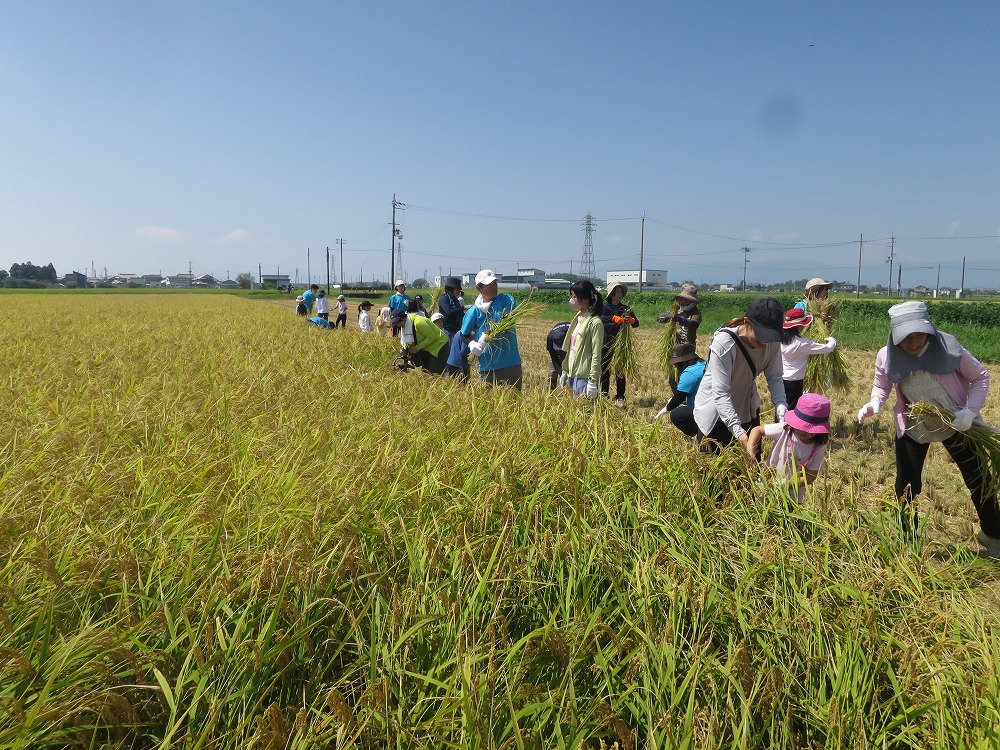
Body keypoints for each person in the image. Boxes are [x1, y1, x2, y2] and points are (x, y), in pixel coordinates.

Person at [857, 300, 1000, 552]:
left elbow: (980, 377)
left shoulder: (949, 349)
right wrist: (874, 404)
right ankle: (907, 541)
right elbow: (882, 385)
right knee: (907, 484)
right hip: (915, 422)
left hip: (956, 421)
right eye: (906, 338)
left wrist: (969, 412)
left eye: (919, 336)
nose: (913, 343)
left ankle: (993, 535)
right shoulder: (886, 355)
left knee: (979, 478)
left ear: (929, 331)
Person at [693, 297, 788, 452]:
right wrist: (738, 432)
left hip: (747, 407)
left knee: (751, 470)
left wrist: (781, 404)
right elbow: (721, 392)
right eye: (762, 334)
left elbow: (775, 376)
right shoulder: (724, 343)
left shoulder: (772, 341)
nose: (765, 342)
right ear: (747, 322)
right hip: (717, 414)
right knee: (715, 472)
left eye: (770, 336)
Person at [748, 393, 831, 503]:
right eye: (801, 426)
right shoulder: (784, 430)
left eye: (810, 429)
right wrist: (751, 454)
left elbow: (810, 477)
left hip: (792, 498)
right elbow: (757, 430)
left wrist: (786, 484)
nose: (804, 431)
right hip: (767, 488)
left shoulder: (817, 448)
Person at [461, 269, 522, 389]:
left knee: (514, 404)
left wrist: (488, 334)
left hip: (511, 363)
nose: (494, 287)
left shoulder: (506, 300)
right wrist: (472, 344)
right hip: (487, 366)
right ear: (479, 288)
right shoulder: (474, 311)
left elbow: (508, 319)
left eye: (495, 283)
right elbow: (463, 334)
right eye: (489, 284)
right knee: (489, 404)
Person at [780, 307, 837, 409]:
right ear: (799, 325)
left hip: (781, 378)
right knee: (792, 407)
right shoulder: (802, 343)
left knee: (782, 404)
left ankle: (779, 422)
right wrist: (832, 340)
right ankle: (787, 424)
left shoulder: (780, 339)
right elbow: (828, 348)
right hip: (795, 381)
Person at [561, 280, 605, 398]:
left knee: (584, 413)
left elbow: (596, 353)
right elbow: (571, 347)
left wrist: (592, 380)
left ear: (585, 299)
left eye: (575, 296)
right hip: (572, 373)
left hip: (584, 376)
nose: (572, 300)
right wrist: (565, 369)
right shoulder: (578, 318)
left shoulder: (595, 323)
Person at [601, 282, 639, 407]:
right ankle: (604, 394)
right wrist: (613, 318)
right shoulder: (605, 307)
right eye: (617, 292)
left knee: (620, 371)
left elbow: (636, 324)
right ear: (611, 294)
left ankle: (620, 396)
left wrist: (632, 320)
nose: (620, 294)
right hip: (606, 342)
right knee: (605, 370)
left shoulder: (625, 309)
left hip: (621, 344)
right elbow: (599, 318)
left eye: (621, 292)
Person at [656, 343, 705, 438]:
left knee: (677, 415)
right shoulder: (702, 365)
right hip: (708, 405)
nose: (675, 366)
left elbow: (679, 397)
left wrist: (667, 408)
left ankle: (698, 435)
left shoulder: (690, 373)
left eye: (676, 364)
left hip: (704, 409)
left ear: (684, 362)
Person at [399, 307, 450, 375]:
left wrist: (417, 348)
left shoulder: (419, 322)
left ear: (404, 319)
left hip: (439, 346)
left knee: (434, 373)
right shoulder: (407, 325)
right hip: (429, 348)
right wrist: (405, 349)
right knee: (425, 371)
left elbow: (432, 337)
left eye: (398, 323)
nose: (397, 325)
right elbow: (410, 341)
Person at [657, 283, 702, 348]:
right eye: (683, 298)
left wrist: (679, 319)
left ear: (692, 301)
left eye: (687, 299)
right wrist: (664, 318)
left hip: (687, 345)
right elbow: (667, 317)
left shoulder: (695, 313)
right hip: (673, 343)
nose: (684, 301)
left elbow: (694, 324)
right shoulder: (676, 309)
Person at [545, 321, 572, 391]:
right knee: (553, 373)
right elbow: (554, 360)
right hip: (555, 351)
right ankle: (550, 394)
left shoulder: (574, 334)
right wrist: (561, 375)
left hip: (572, 349)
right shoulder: (550, 338)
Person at [438, 277, 465, 341]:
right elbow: (449, 312)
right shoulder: (444, 298)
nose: (459, 292)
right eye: (457, 289)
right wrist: (463, 308)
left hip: (457, 329)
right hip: (448, 330)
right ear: (452, 289)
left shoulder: (454, 299)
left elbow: (459, 312)